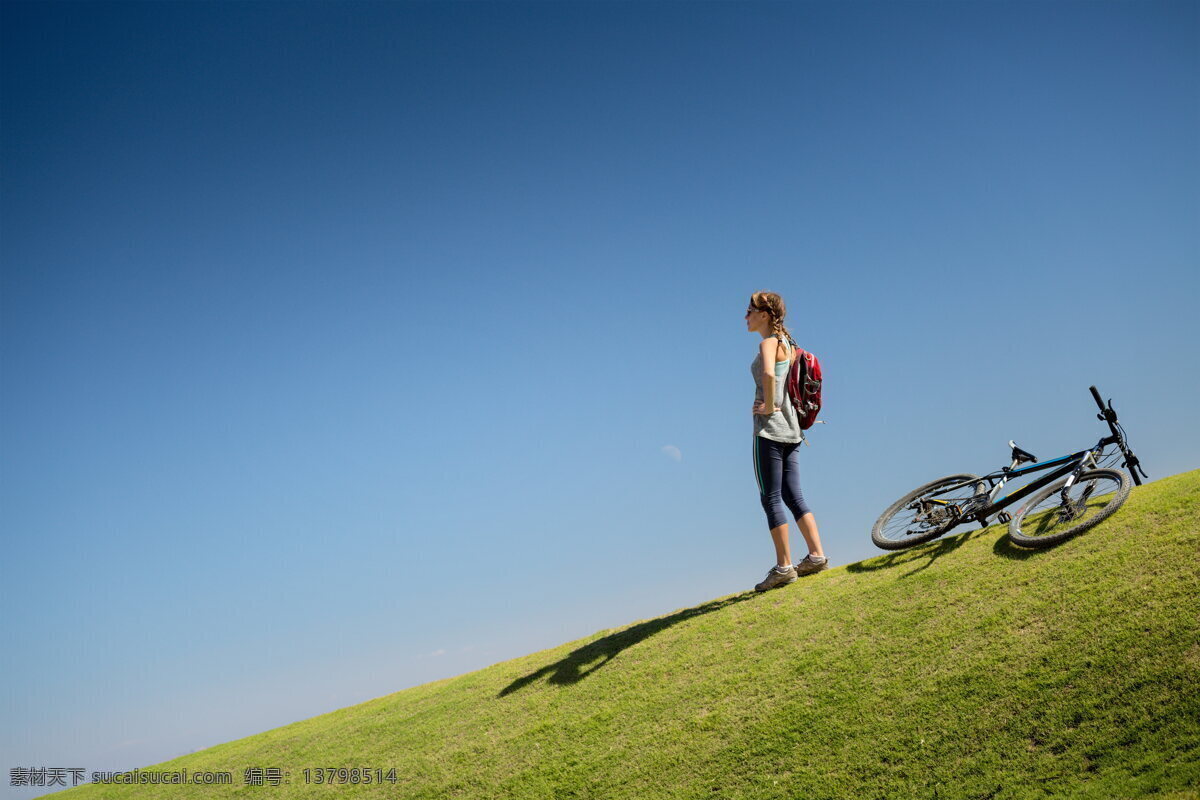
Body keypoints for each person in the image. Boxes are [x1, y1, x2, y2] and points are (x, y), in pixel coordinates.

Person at [745, 291, 827, 592]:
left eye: (750, 311)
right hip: (792, 429)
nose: (746, 316)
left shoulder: (768, 343)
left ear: (764, 315)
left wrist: (767, 404)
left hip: (769, 429)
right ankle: (816, 555)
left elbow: (768, 372)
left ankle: (783, 567)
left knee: (771, 497)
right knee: (794, 495)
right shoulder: (790, 345)